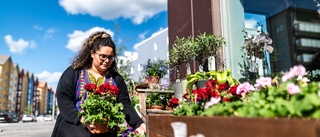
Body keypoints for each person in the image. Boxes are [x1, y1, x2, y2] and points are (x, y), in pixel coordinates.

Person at [51, 31, 146, 137]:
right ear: (92, 54)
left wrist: (138, 124)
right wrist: (82, 119)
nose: (106, 61)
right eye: (103, 56)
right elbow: (63, 98)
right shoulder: (74, 72)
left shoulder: (117, 79)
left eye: (110, 57)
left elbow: (124, 104)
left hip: (105, 126)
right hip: (74, 122)